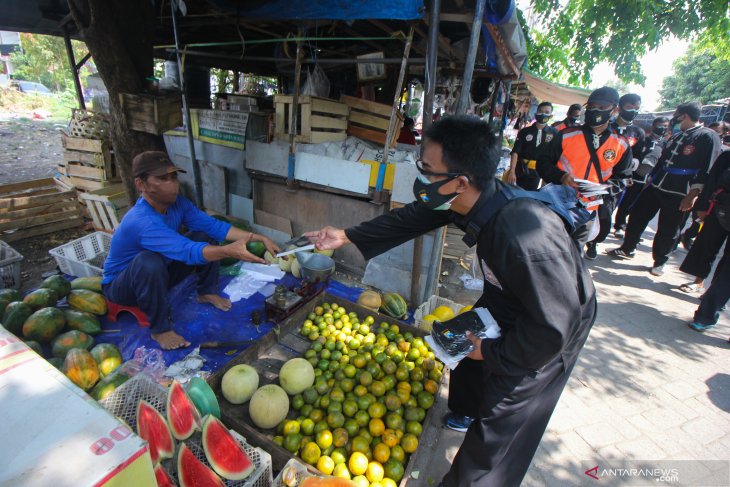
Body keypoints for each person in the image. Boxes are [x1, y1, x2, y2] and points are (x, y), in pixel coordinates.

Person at [305, 116, 597, 487]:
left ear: (461, 181)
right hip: (512, 297)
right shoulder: (471, 199)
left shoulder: (523, 234)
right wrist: (345, 235)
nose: (421, 177)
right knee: (463, 347)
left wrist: (491, 353)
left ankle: (476, 472)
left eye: (426, 169)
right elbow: (415, 216)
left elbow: (554, 327)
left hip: (552, 323)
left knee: (501, 421)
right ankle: (464, 410)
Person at [102, 151, 280, 350]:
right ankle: (160, 330)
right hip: (124, 285)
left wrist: (259, 237)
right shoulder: (141, 220)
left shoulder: (178, 204)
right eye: (162, 178)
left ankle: (206, 292)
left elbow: (213, 226)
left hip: (162, 269)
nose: (173, 184)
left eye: (173, 177)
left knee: (204, 234)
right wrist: (228, 251)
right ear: (141, 184)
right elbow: (187, 251)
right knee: (148, 261)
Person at [606, 102, 723, 276]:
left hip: (681, 190)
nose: (674, 119)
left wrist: (692, 195)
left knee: (668, 228)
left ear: (684, 115)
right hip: (658, 183)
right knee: (638, 215)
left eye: (677, 115)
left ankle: (660, 261)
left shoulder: (707, 136)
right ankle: (628, 248)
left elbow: (707, 169)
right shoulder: (677, 135)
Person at [537, 87, 633, 249]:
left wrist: (601, 189)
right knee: (546, 250)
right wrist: (561, 176)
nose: (596, 111)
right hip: (557, 205)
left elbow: (623, 178)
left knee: (573, 255)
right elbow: (543, 163)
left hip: (588, 211)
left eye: (602, 108)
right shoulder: (566, 135)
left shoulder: (621, 144)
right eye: (592, 107)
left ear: (615, 110)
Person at [584, 93, 644, 259]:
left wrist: (628, 174)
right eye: (629, 107)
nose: (632, 111)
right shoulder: (604, 127)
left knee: (604, 218)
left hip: (610, 187)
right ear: (619, 108)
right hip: (586, 183)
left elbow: (638, 156)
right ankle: (584, 244)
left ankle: (594, 242)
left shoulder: (637, 132)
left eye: (636, 108)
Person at [677, 150, 730, 294]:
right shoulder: (727, 155)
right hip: (720, 206)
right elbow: (712, 180)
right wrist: (702, 206)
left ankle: (716, 292)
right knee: (707, 244)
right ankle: (698, 282)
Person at [613, 116, 671, 237]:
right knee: (625, 201)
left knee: (638, 205)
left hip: (649, 180)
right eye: (660, 126)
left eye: (666, 126)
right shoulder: (642, 140)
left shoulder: (665, 145)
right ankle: (619, 224)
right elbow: (630, 154)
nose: (663, 129)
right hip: (634, 176)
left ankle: (631, 229)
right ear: (654, 126)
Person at [504, 101, 557, 190]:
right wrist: (512, 171)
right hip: (520, 169)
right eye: (540, 111)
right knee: (512, 193)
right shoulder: (525, 131)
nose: (543, 114)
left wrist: (547, 179)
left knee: (528, 197)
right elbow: (515, 152)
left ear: (551, 116)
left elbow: (553, 157)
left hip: (538, 173)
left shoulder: (554, 133)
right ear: (536, 113)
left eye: (547, 112)